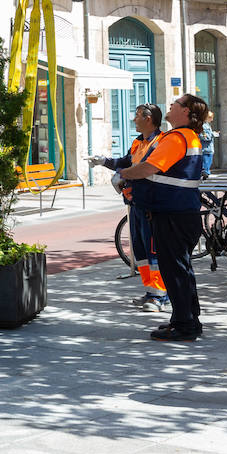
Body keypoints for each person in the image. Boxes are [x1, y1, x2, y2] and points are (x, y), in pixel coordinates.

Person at [119, 94, 208, 341]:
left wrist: (124, 174)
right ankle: (187, 320)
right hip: (181, 212)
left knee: (175, 271)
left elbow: (150, 167)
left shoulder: (177, 137)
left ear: (187, 112)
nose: (171, 105)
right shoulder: (188, 136)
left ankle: (184, 325)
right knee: (181, 269)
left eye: (176, 103)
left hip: (171, 214)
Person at [89, 104, 167, 311]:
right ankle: (151, 290)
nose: (134, 120)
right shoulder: (138, 143)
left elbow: (148, 170)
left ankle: (160, 295)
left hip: (150, 203)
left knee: (153, 250)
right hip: (135, 203)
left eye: (137, 116)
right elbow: (126, 162)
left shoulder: (161, 142)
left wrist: (124, 176)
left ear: (148, 119)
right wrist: (104, 161)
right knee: (140, 249)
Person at [200, 110, 216, 177]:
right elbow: (204, 137)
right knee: (205, 171)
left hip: (208, 149)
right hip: (205, 150)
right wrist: (213, 134)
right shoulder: (203, 126)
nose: (212, 120)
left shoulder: (206, 125)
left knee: (207, 168)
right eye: (211, 117)